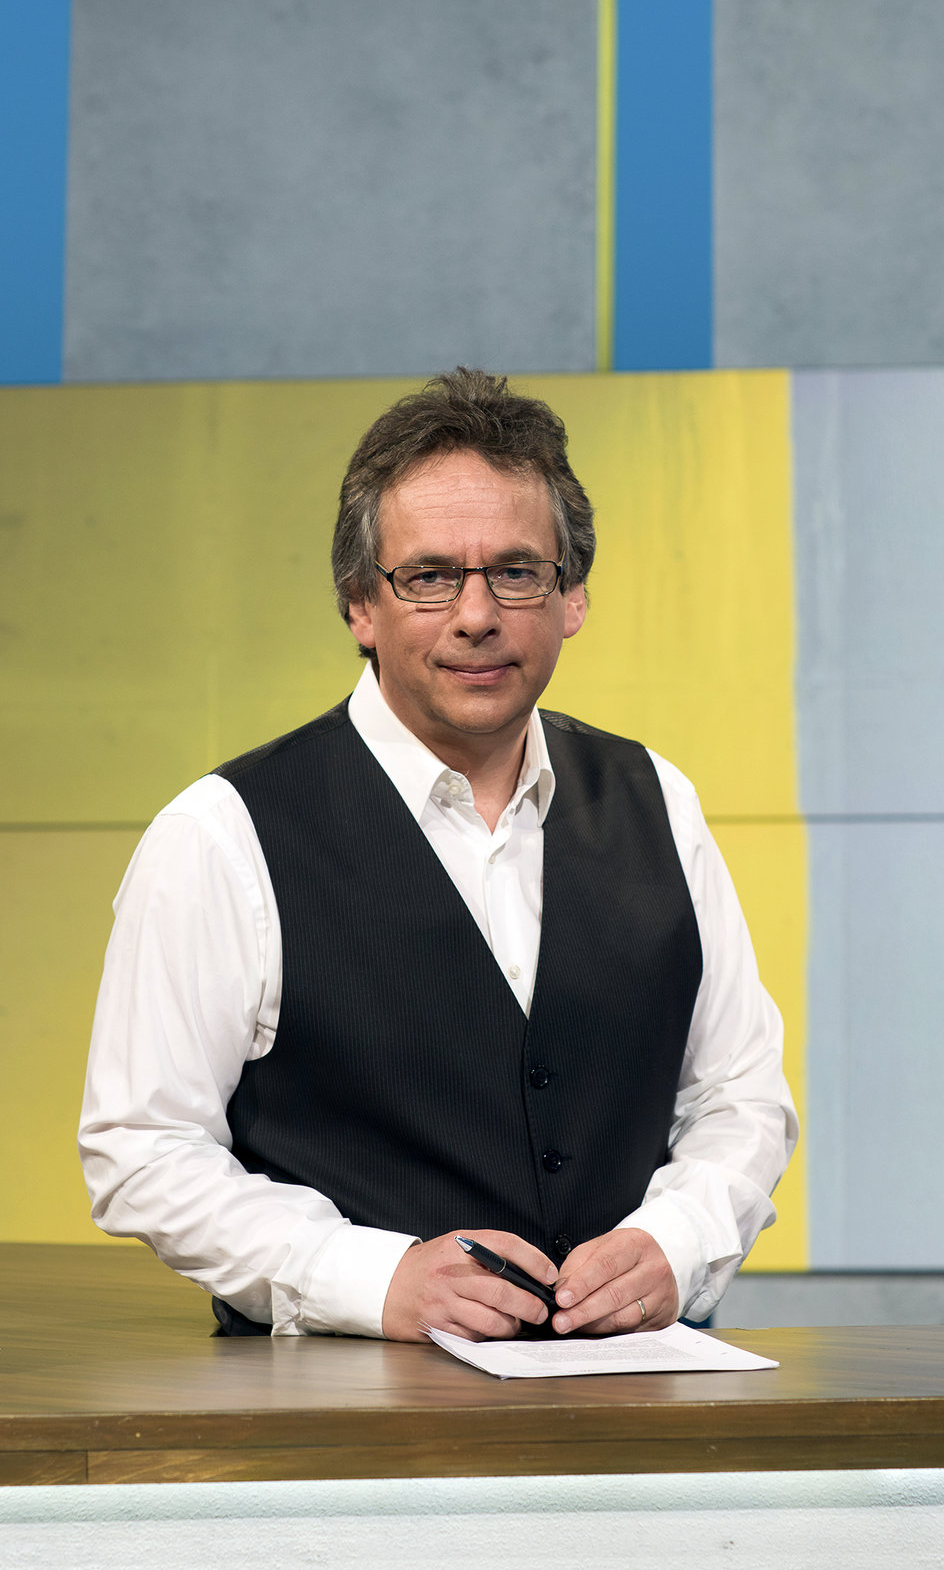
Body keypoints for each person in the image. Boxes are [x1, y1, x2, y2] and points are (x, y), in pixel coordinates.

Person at [79, 368, 798, 1342]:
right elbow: (142, 1148)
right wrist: (371, 1279)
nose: (476, 614)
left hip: (634, 1395)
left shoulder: (657, 799)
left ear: (571, 596)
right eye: (429, 577)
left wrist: (678, 1240)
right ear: (359, 606)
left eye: (517, 571)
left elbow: (739, 1096)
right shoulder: (221, 835)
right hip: (344, 1409)